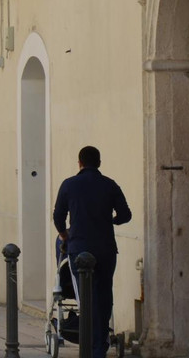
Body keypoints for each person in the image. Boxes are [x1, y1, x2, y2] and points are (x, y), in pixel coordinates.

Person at [53, 146, 132, 358]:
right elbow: (125, 215)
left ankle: (91, 346)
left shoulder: (69, 185)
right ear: (99, 163)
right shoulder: (110, 185)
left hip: (79, 250)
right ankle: (100, 345)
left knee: (86, 298)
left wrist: (63, 235)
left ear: (79, 163)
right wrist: (110, 220)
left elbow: (58, 216)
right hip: (106, 248)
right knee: (104, 295)